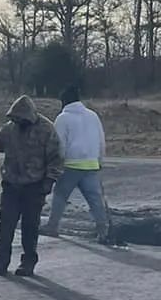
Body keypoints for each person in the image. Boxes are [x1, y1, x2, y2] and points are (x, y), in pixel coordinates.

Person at [0, 95, 62, 276]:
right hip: (11, 184)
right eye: (15, 119)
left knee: (30, 226)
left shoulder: (46, 129)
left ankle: (28, 262)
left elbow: (56, 158)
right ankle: (1, 261)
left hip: (34, 186)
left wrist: (49, 181)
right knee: (6, 225)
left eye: (20, 119)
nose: (17, 121)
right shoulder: (10, 129)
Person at [42, 85, 112, 243]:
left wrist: (56, 165)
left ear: (64, 101)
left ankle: (52, 227)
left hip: (70, 165)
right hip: (92, 165)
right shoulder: (93, 116)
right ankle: (103, 232)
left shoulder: (63, 118)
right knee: (95, 200)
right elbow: (101, 140)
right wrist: (100, 161)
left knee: (60, 196)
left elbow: (59, 144)